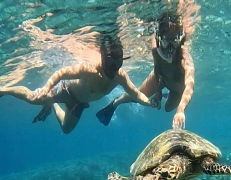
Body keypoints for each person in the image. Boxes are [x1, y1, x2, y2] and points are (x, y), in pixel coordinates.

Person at [0, 36, 157, 134]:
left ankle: (52, 104)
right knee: (34, 99)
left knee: (66, 129)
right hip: (65, 91)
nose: (115, 69)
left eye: (118, 64)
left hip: (79, 103)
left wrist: (149, 103)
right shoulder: (90, 70)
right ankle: (5, 89)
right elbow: (61, 73)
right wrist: (46, 89)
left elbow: (136, 94)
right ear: (103, 59)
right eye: (110, 64)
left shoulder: (120, 76)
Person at [97, 13, 195, 129]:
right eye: (166, 41)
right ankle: (115, 103)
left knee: (168, 108)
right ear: (159, 39)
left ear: (180, 40)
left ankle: (167, 94)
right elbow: (157, 68)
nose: (170, 48)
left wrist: (180, 110)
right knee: (137, 95)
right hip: (160, 78)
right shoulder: (156, 51)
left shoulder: (185, 60)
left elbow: (189, 86)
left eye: (174, 41)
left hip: (176, 89)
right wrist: (157, 92)